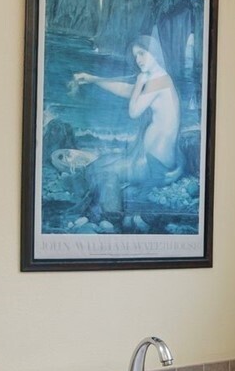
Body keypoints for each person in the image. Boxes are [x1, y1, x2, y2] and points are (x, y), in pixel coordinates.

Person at [72, 35, 183, 232]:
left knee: (106, 171)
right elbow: (127, 90)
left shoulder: (159, 80)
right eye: (135, 55)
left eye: (142, 53)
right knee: (100, 163)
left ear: (154, 53)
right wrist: (93, 79)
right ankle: (103, 214)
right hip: (151, 159)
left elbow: (134, 112)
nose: (138, 59)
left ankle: (112, 219)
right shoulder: (159, 79)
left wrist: (140, 82)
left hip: (155, 164)